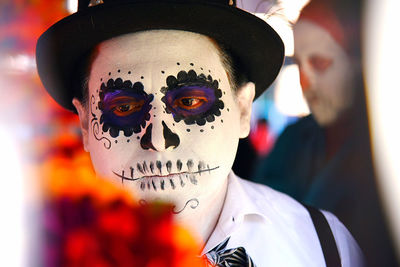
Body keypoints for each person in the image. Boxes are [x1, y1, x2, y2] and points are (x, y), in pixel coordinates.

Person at [36, 0, 364, 266]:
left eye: (190, 101)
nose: (160, 140)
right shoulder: (29, 252)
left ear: (243, 110)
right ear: (84, 124)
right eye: (123, 108)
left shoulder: (324, 246)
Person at [253, 1, 397, 266]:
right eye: (299, 64)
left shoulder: (388, 150)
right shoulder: (292, 142)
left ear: (359, 63)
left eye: (320, 63)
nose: (305, 81)